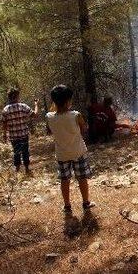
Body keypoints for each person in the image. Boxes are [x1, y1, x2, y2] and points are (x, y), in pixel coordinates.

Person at [46, 85, 94, 213]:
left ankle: (67, 206)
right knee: (82, 178)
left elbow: (52, 129)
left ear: (54, 102)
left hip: (62, 154)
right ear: (68, 101)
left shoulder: (49, 117)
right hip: (78, 152)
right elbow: (84, 129)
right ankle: (85, 203)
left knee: (64, 180)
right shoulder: (76, 115)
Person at [1, 88, 39, 174]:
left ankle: (17, 170)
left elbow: (4, 124)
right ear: (17, 96)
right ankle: (26, 169)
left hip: (13, 136)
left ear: (9, 97)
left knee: (16, 152)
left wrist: (4, 135)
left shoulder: (5, 109)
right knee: (25, 151)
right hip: (24, 134)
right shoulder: (23, 106)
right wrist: (36, 104)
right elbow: (35, 115)